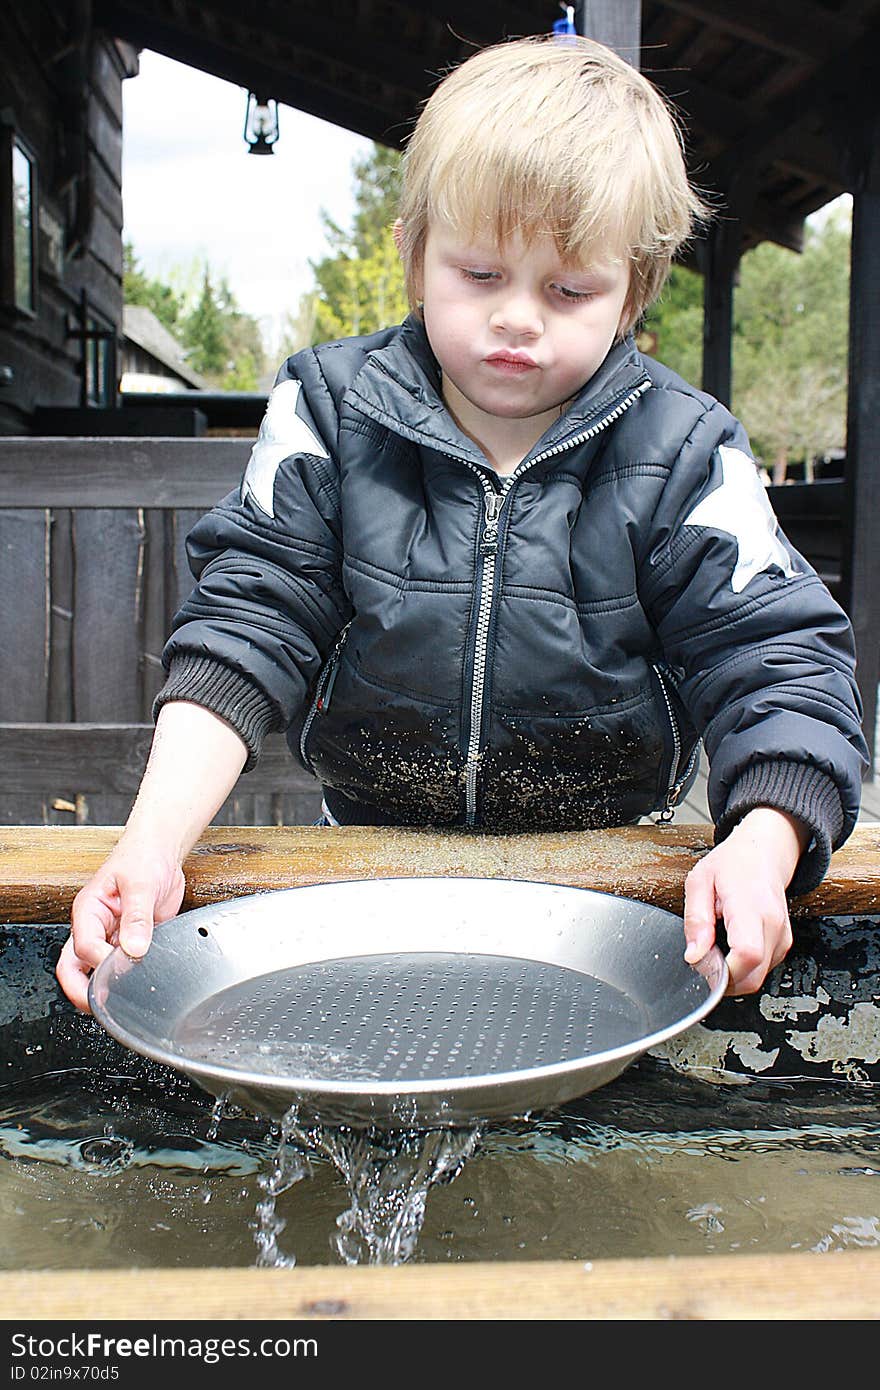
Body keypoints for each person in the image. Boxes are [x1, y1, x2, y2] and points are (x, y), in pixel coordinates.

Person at [57, 35, 867, 1012]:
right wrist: (148, 842)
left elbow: (779, 658)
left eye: (568, 290)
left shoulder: (685, 450)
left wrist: (762, 838)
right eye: (480, 274)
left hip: (616, 863)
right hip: (366, 852)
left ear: (633, 293)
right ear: (413, 255)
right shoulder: (329, 410)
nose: (518, 317)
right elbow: (246, 623)